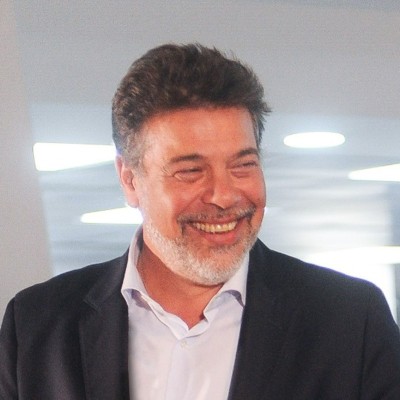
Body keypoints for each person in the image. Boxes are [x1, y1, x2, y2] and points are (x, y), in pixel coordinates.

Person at [1, 43, 400, 400]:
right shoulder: (37, 325)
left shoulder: (350, 322)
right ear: (130, 180)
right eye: (191, 171)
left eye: (243, 165)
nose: (223, 195)